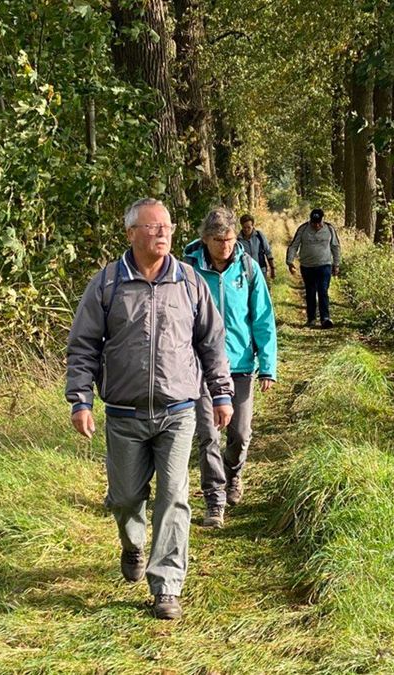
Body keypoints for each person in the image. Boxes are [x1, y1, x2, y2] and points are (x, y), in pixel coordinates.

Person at [66, 197, 234, 621]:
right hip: (123, 413)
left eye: (167, 226)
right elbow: (83, 346)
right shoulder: (106, 285)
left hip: (179, 409)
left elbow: (211, 343)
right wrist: (81, 400)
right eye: (152, 226)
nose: (162, 233)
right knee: (125, 498)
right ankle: (133, 543)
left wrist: (221, 393)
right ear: (130, 234)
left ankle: (166, 585)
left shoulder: (190, 283)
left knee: (174, 496)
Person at [183, 208, 278, 528]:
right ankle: (214, 499)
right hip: (200, 365)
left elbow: (263, 319)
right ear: (205, 239)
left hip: (239, 365)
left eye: (230, 239)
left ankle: (233, 473)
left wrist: (267, 365)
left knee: (239, 433)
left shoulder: (248, 269)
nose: (225, 245)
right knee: (208, 435)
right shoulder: (188, 270)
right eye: (218, 240)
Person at [286, 208, 341, 328]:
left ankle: (325, 318)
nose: (316, 225)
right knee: (310, 292)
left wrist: (336, 264)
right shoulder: (303, 229)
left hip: (324, 265)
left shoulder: (329, 229)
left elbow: (335, 247)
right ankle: (311, 319)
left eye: (319, 222)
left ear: (323, 220)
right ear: (310, 221)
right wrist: (290, 262)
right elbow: (293, 245)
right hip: (307, 266)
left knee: (323, 291)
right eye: (314, 222)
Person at [238, 213, 276, 281]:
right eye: (244, 227)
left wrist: (272, 268)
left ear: (253, 226)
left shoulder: (259, 236)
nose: (246, 230)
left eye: (248, 227)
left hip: (261, 270)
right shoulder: (238, 240)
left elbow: (268, 252)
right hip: (245, 273)